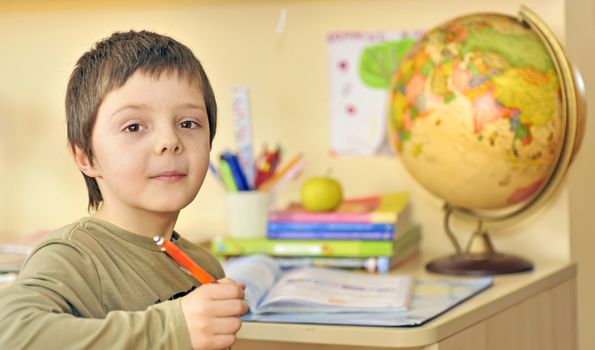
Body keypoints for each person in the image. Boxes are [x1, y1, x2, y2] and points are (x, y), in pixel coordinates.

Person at [0, 30, 248, 349]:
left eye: (188, 124)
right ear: (85, 157)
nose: (169, 141)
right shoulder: (73, 256)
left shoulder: (203, 265)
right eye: (134, 127)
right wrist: (172, 328)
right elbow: (10, 332)